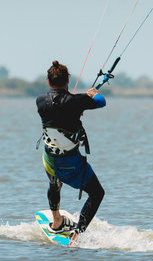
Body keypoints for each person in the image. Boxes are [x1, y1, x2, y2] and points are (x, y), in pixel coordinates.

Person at [36, 60, 106, 242]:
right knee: (98, 193)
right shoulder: (78, 101)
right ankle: (77, 233)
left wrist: (76, 107)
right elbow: (101, 102)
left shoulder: (40, 101)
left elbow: (58, 111)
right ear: (68, 81)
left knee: (54, 183)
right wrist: (92, 94)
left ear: (49, 82)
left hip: (49, 160)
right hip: (71, 163)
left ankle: (57, 221)